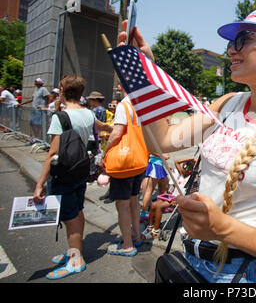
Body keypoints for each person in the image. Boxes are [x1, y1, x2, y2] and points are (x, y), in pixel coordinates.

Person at [118, 4, 256, 282]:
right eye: (231, 41)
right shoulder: (228, 103)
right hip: (189, 261)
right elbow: (163, 141)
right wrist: (142, 75)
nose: (231, 49)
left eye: (243, 40)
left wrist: (223, 229)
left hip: (239, 276)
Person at [32, 75, 110, 280]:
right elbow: (103, 127)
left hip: (64, 172)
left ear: (63, 91)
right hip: (81, 169)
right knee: (77, 210)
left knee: (70, 216)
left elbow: (52, 154)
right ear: (82, 93)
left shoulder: (61, 117)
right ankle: (75, 249)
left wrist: (39, 184)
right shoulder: (88, 114)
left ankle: (76, 259)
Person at [99, 84, 145, 256]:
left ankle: (127, 245)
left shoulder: (123, 105)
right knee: (134, 200)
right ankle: (136, 235)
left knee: (122, 205)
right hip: (139, 159)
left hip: (124, 162)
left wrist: (104, 152)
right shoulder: (140, 104)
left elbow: (117, 132)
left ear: (121, 86)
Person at [141, 158, 196, 240]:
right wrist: (191, 159)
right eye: (184, 167)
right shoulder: (181, 174)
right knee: (154, 205)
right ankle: (150, 226)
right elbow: (176, 161)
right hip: (171, 197)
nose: (184, 169)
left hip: (178, 199)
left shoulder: (191, 178)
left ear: (191, 171)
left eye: (187, 168)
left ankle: (155, 231)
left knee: (159, 207)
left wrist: (195, 165)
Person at [139, 152, 170, 222]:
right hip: (155, 165)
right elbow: (151, 150)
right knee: (149, 190)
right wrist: (162, 155)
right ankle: (143, 213)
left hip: (158, 164)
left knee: (166, 185)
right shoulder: (154, 141)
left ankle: (162, 206)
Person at [18, 78, 50, 144]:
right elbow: (31, 99)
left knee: (38, 125)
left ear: (39, 82)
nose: (34, 82)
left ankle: (39, 138)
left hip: (39, 110)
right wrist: (21, 103)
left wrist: (46, 106)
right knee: (32, 123)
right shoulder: (36, 89)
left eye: (36, 81)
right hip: (34, 109)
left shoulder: (43, 89)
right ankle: (36, 137)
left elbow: (49, 97)